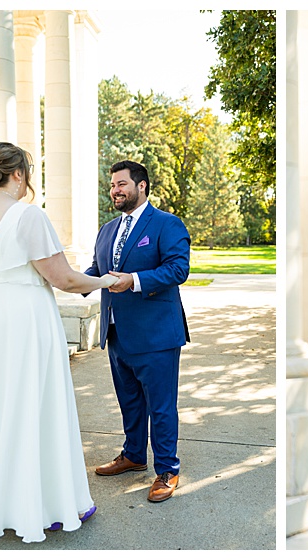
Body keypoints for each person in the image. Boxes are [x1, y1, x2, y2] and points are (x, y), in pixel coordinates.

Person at [0, 142, 117, 542]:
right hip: (21, 317)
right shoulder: (27, 215)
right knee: (29, 402)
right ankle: (38, 504)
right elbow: (62, 277)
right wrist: (103, 281)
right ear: (19, 174)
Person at [84, 160, 190, 503]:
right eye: (112, 184)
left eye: (121, 184)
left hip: (156, 334)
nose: (115, 189)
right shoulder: (106, 229)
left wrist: (135, 281)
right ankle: (133, 455)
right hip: (116, 333)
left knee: (160, 406)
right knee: (129, 401)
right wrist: (67, 280)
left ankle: (167, 469)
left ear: (141, 186)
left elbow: (178, 268)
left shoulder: (166, 224)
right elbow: (97, 270)